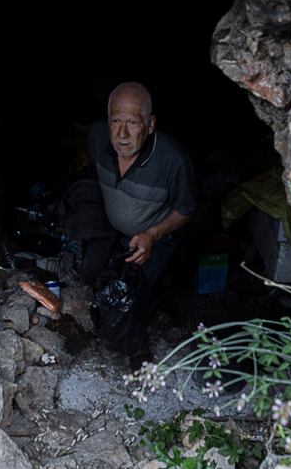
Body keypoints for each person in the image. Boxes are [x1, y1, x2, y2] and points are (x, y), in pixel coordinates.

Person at [87, 82, 197, 371]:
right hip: (114, 231)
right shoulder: (98, 137)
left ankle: (139, 346)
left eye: (133, 122)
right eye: (115, 121)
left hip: (154, 237)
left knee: (134, 289)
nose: (122, 134)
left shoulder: (173, 160)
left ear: (149, 125)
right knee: (93, 272)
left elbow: (186, 208)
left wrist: (153, 234)